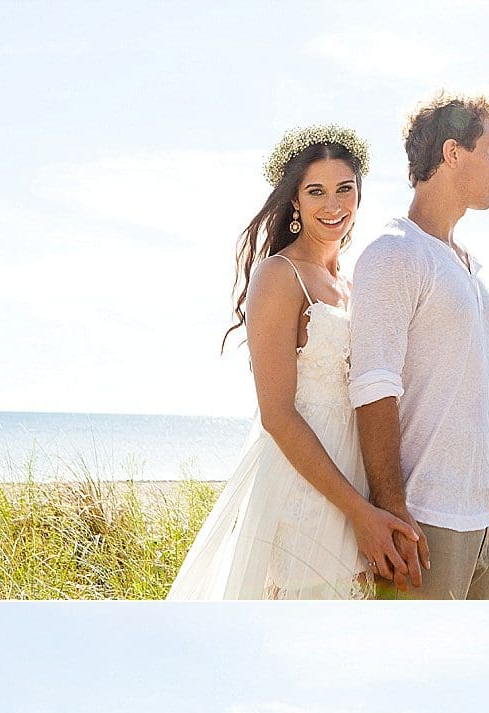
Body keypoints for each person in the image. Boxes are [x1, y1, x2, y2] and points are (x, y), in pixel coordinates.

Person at [168, 124, 417, 600]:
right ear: (296, 201)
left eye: (345, 189)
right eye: (316, 191)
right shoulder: (278, 276)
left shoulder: (352, 282)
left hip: (358, 469)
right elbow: (277, 415)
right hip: (308, 479)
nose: (333, 205)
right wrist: (357, 513)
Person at [348, 92, 489, 600]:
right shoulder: (395, 253)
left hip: (483, 524)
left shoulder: (467, 265)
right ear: (454, 153)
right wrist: (392, 508)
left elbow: (473, 388)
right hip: (426, 524)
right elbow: (372, 387)